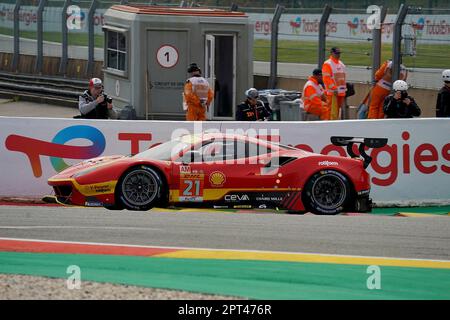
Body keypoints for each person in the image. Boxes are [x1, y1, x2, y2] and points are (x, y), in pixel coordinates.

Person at [322, 47, 346, 120]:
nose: (338, 55)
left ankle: (334, 125)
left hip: (340, 92)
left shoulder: (341, 64)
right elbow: (326, 78)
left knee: (337, 111)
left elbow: (343, 78)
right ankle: (328, 125)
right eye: (336, 53)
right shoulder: (327, 64)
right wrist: (333, 88)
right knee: (331, 111)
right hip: (332, 93)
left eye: (339, 53)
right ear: (331, 53)